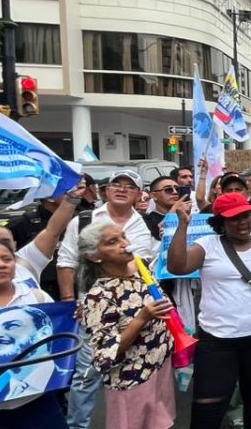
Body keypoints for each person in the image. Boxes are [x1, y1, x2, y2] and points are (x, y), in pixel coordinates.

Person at [166, 192, 251, 429]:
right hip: (216, 341)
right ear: (220, 223)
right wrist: (182, 226)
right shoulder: (207, 245)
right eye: (234, 219)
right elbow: (177, 267)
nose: (243, 223)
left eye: (247, 216)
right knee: (208, 406)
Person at [58, 170, 156, 429]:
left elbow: (142, 267)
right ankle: (79, 425)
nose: (122, 189)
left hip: (133, 310)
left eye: (130, 186)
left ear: (138, 194)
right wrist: (70, 300)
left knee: (132, 369)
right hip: (91, 310)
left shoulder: (142, 224)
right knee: (87, 374)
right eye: (116, 184)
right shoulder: (84, 219)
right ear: (105, 191)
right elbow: (66, 261)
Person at [77, 223, 175, 429]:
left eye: (123, 237)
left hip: (159, 367)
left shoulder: (139, 268)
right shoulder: (98, 296)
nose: (124, 244)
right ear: (94, 256)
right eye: (113, 242)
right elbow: (104, 354)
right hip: (132, 379)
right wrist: (142, 318)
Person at [0, 240, 65, 427]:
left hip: (38, 403)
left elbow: (60, 338)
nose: (1, 264)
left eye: (7, 259)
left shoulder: (37, 298)